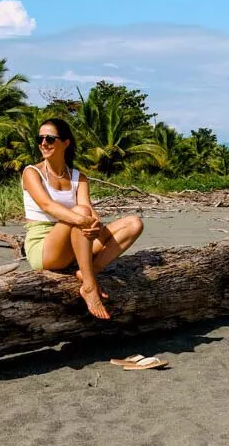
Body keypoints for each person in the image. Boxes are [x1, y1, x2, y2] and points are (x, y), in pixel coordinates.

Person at [22, 118, 143, 319]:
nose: (43, 143)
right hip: (44, 247)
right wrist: (84, 220)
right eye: (40, 138)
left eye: (50, 138)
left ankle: (87, 271)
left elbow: (89, 210)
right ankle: (89, 286)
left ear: (65, 143)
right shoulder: (31, 172)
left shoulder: (79, 177)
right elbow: (47, 206)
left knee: (133, 223)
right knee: (80, 213)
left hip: (76, 241)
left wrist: (94, 226)